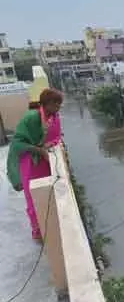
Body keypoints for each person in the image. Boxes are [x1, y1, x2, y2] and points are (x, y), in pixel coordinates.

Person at [6, 88, 64, 241]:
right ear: (46, 103)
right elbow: (18, 143)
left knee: (47, 193)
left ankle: (50, 224)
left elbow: (57, 136)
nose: (58, 107)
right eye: (56, 104)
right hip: (31, 162)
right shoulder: (32, 118)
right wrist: (39, 150)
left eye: (60, 104)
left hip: (46, 161)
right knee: (33, 197)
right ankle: (37, 232)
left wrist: (50, 146)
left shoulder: (54, 117)